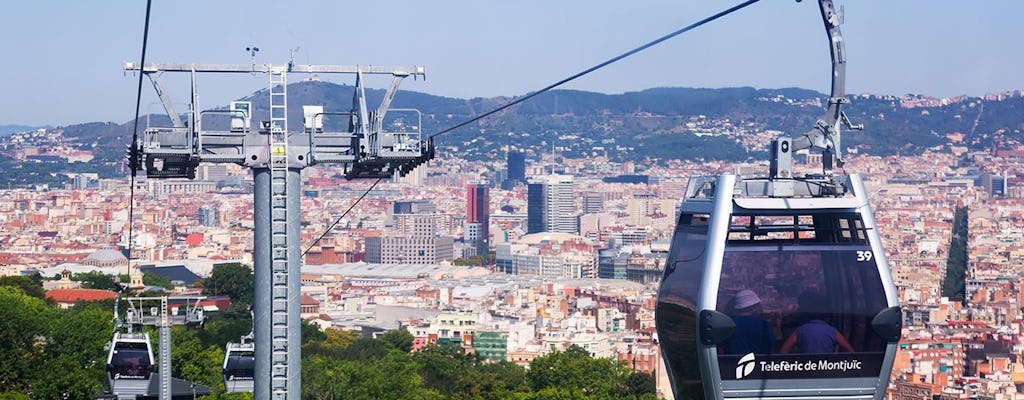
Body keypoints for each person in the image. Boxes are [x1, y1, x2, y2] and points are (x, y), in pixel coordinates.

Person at [779, 292, 855, 353]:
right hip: (828, 368)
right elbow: (851, 351)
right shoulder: (832, 331)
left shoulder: (800, 330)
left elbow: (784, 350)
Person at [720, 289, 775, 355]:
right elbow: (771, 351)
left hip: (731, 364)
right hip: (758, 363)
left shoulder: (728, 324)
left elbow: (721, 351)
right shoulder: (764, 325)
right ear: (754, 306)